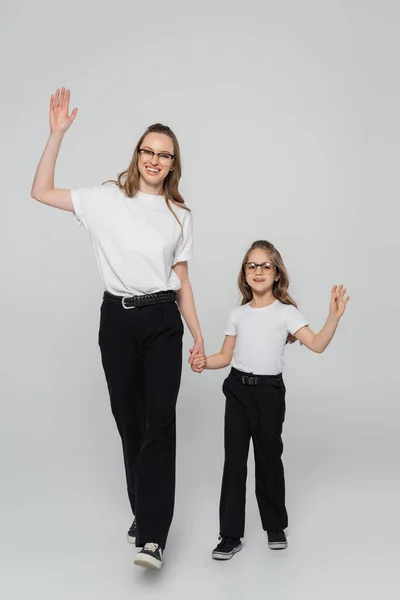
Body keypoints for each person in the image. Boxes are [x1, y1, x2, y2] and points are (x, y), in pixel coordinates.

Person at [31, 87, 204, 570]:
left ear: (173, 164)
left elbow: (184, 281)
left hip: (163, 320)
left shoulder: (180, 214)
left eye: (164, 155)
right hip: (118, 320)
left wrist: (198, 334)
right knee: (130, 423)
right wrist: (56, 135)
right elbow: (41, 191)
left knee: (160, 422)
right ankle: (143, 511)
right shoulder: (105, 199)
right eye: (148, 151)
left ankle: (153, 536)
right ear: (137, 155)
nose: (154, 160)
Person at [192, 240, 349, 560]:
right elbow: (225, 355)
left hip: (268, 395)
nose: (258, 271)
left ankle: (274, 526)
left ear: (277, 273)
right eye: (252, 265)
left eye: (265, 265)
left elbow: (317, 344)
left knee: (268, 459)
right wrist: (202, 362)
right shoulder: (237, 314)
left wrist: (333, 317)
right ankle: (230, 534)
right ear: (244, 274)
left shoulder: (286, 313)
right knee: (234, 462)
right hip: (236, 391)